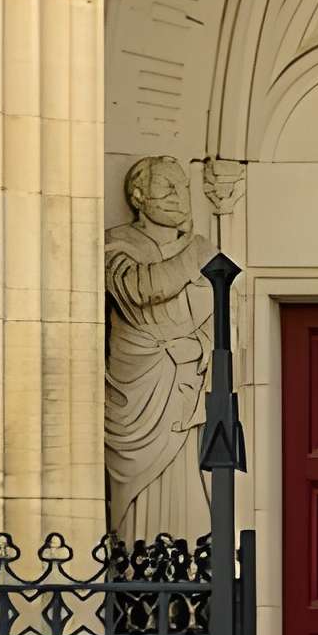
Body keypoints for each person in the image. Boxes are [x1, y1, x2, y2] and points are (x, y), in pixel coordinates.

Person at [103, 154, 212, 549]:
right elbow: (138, 289)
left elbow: (217, 315)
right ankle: (139, 583)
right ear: (138, 195)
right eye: (165, 185)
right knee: (141, 494)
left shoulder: (195, 249)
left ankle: (188, 586)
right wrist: (194, 253)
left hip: (184, 385)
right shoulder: (119, 243)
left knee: (187, 478)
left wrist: (198, 346)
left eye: (183, 186)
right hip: (139, 388)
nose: (178, 196)